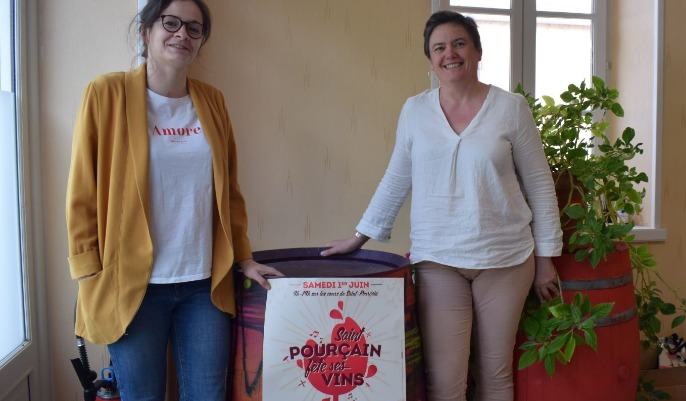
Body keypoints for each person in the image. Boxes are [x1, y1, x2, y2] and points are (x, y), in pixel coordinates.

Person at [321, 10, 562, 401]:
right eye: (439, 48)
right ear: (430, 60)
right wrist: (359, 237)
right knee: (445, 385)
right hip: (438, 261)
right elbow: (396, 178)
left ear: (477, 51)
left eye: (459, 43)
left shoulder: (511, 108)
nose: (450, 53)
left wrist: (546, 259)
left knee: (495, 375)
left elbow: (539, 183)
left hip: (506, 260)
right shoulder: (415, 111)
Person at [65, 1, 282, 399]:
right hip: (132, 286)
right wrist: (87, 269)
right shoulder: (106, 93)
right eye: (171, 23)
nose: (183, 33)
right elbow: (82, 188)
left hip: (204, 285)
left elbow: (229, 193)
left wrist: (243, 256)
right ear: (146, 31)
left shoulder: (212, 102)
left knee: (208, 394)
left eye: (194, 28)